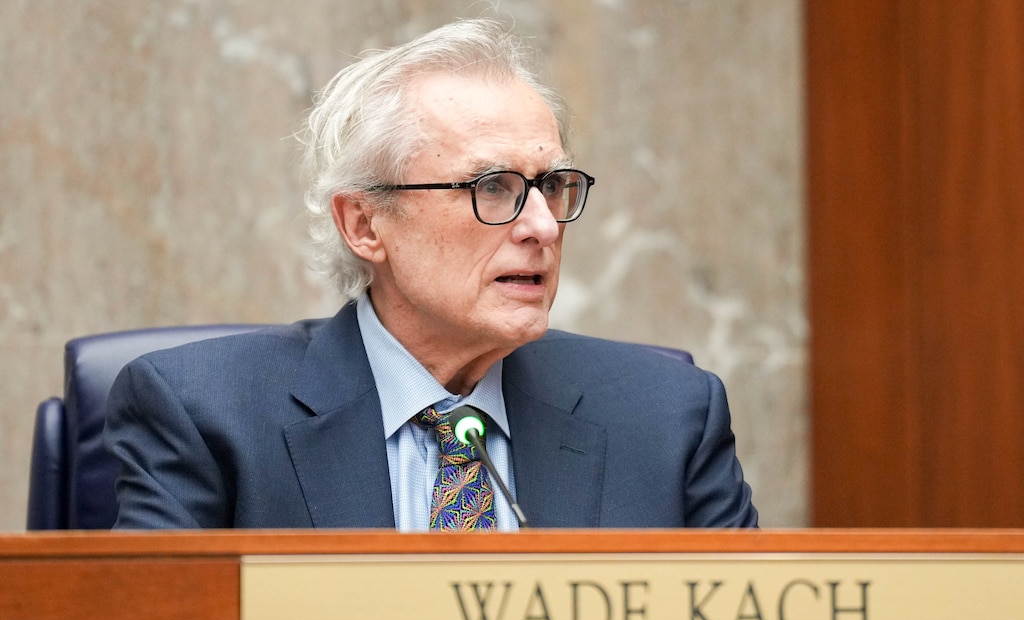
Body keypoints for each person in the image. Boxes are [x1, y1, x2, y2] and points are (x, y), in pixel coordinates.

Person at [106, 18, 758, 530]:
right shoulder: (206, 415)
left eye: (552, 185)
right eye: (492, 186)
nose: (543, 226)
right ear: (364, 224)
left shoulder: (667, 418)